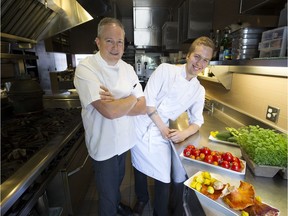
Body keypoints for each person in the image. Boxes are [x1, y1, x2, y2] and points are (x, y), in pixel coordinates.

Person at [131, 36, 215, 216]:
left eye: (205, 60)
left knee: (163, 177)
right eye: (197, 57)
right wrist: (162, 128)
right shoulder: (165, 70)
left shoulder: (198, 90)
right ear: (188, 55)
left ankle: (159, 213)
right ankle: (141, 199)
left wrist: (184, 134)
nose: (199, 63)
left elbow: (197, 121)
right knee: (138, 167)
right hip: (143, 123)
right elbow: (148, 103)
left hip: (162, 133)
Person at [73, 17, 146, 216]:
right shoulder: (87, 68)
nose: (115, 47)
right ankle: (111, 209)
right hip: (103, 145)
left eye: (120, 41)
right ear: (98, 42)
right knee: (106, 194)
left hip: (124, 140)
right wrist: (132, 97)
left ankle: (117, 205)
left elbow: (143, 106)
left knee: (118, 180)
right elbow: (110, 112)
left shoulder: (128, 69)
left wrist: (120, 100)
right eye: (109, 41)